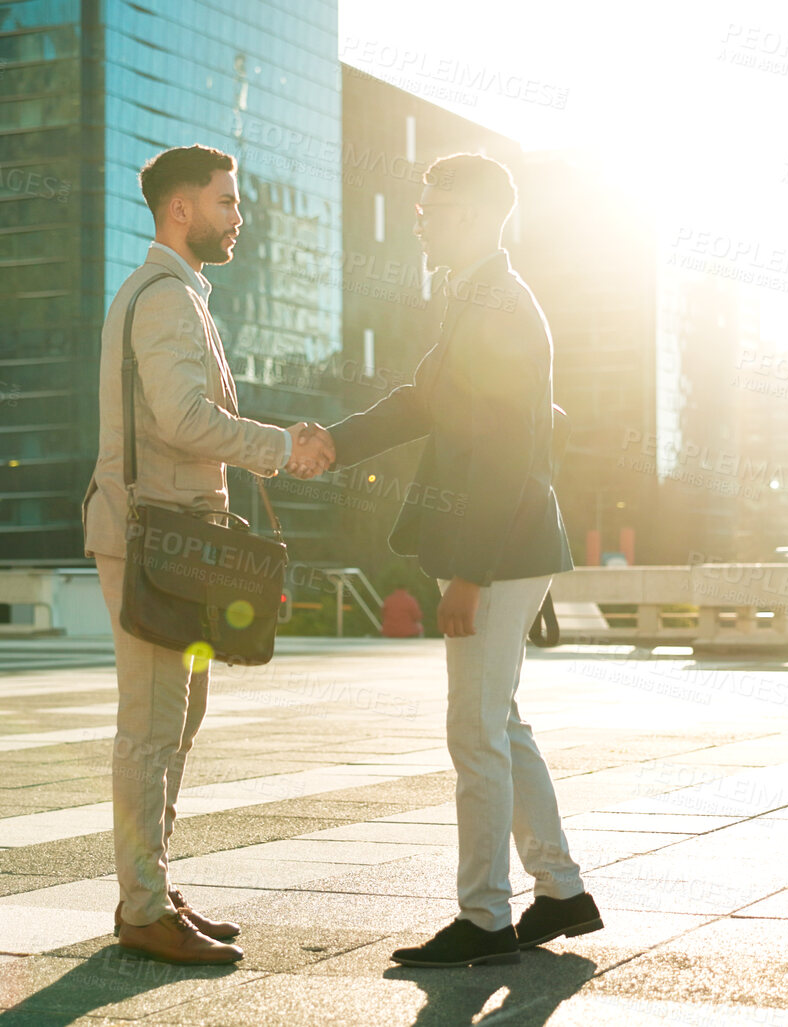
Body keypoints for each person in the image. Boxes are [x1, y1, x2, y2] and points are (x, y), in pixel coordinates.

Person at [301, 153, 600, 967]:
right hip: (501, 545)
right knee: (498, 721)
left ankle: (484, 917)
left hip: (496, 551)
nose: (419, 220)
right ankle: (562, 890)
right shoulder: (473, 298)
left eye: (429, 208)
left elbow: (508, 454)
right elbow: (421, 401)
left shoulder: (498, 305)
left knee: (473, 730)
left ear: (468, 214)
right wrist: (334, 442)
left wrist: (468, 569)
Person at [80, 144, 332, 965]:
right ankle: (141, 906)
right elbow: (185, 420)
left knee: (176, 722)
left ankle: (152, 885)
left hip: (180, 545)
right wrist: (277, 444)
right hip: (151, 538)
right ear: (180, 210)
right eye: (226, 203)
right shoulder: (162, 299)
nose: (238, 218)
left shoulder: (178, 294)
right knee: (150, 726)